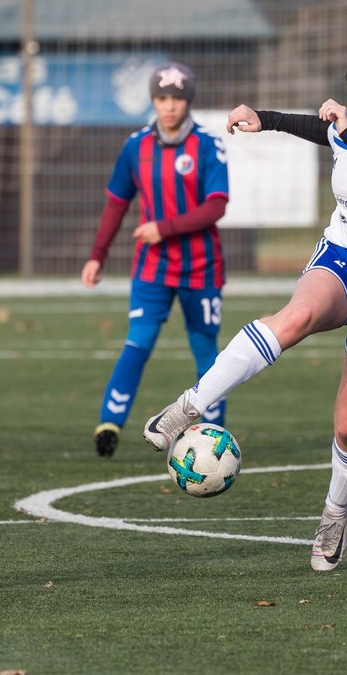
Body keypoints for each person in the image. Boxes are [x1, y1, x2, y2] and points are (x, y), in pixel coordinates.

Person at [142, 48, 347, 572]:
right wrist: (266, 120)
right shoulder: (346, 126)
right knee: (294, 319)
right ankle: (188, 406)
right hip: (344, 259)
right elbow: (315, 127)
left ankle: (335, 514)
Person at [82, 62, 229, 458]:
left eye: (177, 99)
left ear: (188, 101)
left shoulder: (208, 145)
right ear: (153, 101)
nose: (169, 107)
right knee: (138, 343)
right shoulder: (136, 146)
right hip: (153, 269)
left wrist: (163, 227)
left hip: (201, 268)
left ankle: (214, 437)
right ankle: (109, 423)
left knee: (206, 353)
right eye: (162, 98)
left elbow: (216, 207)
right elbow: (116, 204)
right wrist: (97, 256)